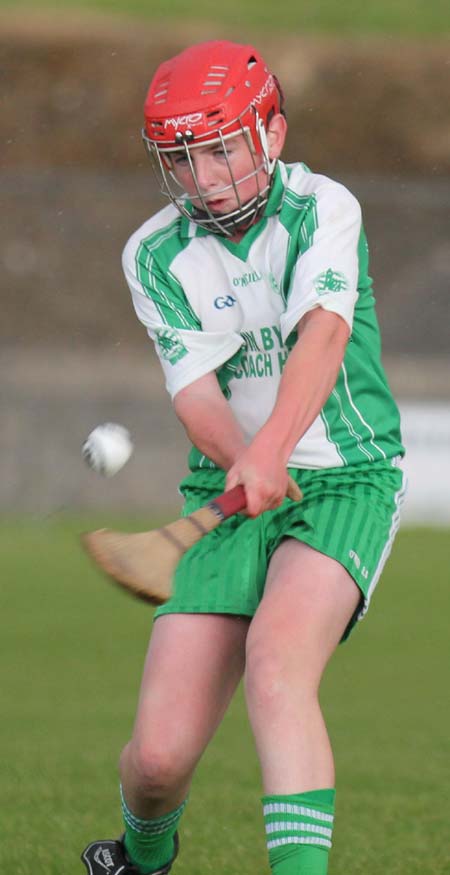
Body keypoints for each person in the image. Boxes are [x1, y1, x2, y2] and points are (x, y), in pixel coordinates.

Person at [81, 39, 406, 875]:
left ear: (273, 133)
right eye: (184, 158)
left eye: (222, 148)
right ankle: (142, 858)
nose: (206, 176)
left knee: (276, 665)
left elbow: (323, 337)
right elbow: (194, 392)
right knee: (155, 763)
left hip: (345, 476)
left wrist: (272, 450)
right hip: (228, 482)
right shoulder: (152, 255)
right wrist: (243, 460)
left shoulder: (323, 210)